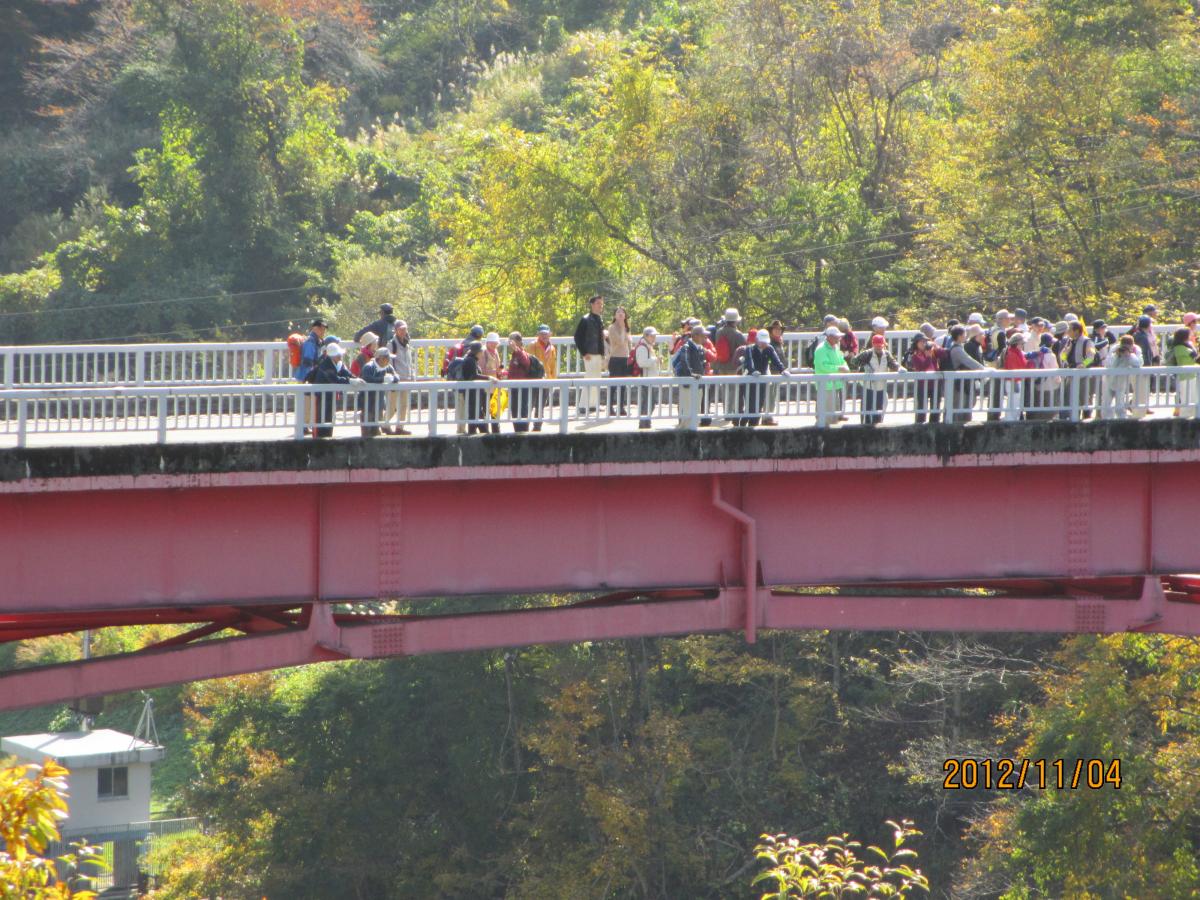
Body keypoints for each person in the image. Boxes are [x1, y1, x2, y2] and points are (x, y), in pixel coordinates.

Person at [739, 329, 789, 426]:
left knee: (759, 405)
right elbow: (749, 362)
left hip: (762, 380)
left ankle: (753, 426)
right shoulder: (750, 348)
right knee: (750, 406)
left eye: (765, 342)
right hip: (750, 380)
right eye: (762, 341)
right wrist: (753, 371)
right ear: (757, 340)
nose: (764, 344)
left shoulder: (769, 349)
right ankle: (742, 425)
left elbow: (776, 360)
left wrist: (782, 370)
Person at [852, 334, 901, 426]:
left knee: (879, 410)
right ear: (873, 344)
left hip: (881, 387)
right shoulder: (867, 353)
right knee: (867, 410)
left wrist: (899, 368)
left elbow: (893, 363)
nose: (878, 347)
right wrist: (865, 366)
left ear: (883, 344)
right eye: (876, 345)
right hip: (868, 387)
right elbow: (854, 361)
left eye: (880, 345)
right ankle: (865, 427)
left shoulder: (886, 354)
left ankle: (878, 427)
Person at [311, 342, 358, 438]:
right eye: (338, 355)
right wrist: (350, 381)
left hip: (330, 397)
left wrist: (354, 378)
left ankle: (328, 438)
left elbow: (347, 374)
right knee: (321, 420)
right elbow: (335, 379)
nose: (340, 356)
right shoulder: (325, 365)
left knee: (330, 419)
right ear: (332, 356)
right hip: (321, 397)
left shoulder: (338, 364)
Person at [574, 295, 606, 413]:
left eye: (601, 304)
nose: (600, 306)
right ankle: (583, 405)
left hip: (597, 353)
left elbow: (600, 338)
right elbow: (577, 337)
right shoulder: (585, 319)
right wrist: (584, 352)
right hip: (589, 354)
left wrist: (603, 354)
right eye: (598, 303)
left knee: (597, 378)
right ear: (592, 304)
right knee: (590, 378)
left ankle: (593, 404)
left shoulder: (599, 319)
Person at [712, 308, 746, 421]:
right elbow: (743, 350)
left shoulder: (719, 332)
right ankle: (730, 412)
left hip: (721, 364)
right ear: (736, 321)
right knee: (733, 389)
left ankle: (726, 410)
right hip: (733, 366)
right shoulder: (738, 334)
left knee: (725, 388)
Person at [295, 318, 328, 435]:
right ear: (315, 328)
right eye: (321, 329)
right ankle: (303, 426)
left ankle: (305, 425)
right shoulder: (310, 342)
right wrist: (320, 360)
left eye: (324, 329)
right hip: (306, 376)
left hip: (309, 375)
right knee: (306, 402)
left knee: (307, 402)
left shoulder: (317, 341)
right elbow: (308, 361)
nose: (323, 331)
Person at [947, 324, 986, 423]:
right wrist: (984, 370)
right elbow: (969, 361)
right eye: (964, 334)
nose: (966, 336)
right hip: (958, 383)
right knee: (958, 407)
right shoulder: (957, 349)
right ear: (960, 336)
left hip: (962, 382)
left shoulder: (959, 347)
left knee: (963, 405)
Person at [458, 341, 499, 434]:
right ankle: (484, 437)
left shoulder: (471, 360)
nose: (482, 353)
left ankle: (478, 436)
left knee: (476, 415)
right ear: (478, 352)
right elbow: (474, 375)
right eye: (481, 352)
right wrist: (489, 377)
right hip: (472, 393)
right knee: (475, 415)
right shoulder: (470, 361)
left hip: (474, 393)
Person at [674, 324, 711, 427]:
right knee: (686, 410)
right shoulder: (686, 347)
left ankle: (692, 429)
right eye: (703, 335)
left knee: (696, 409)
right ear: (695, 336)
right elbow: (684, 362)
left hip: (698, 383)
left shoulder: (700, 348)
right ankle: (685, 431)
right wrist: (691, 374)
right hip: (688, 384)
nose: (705, 338)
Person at [359, 345, 398, 437]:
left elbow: (397, 376)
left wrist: (392, 379)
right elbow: (366, 378)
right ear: (381, 359)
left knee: (376, 430)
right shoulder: (368, 367)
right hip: (367, 403)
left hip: (379, 403)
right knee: (367, 432)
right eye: (387, 358)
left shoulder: (388, 367)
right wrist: (382, 379)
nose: (388, 361)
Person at [814, 325, 850, 424]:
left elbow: (842, 360)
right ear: (829, 336)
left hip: (835, 384)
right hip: (826, 385)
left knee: (834, 416)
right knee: (826, 416)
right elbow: (823, 366)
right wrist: (839, 368)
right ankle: (822, 433)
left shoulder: (836, 347)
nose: (839, 338)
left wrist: (845, 367)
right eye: (836, 336)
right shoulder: (821, 349)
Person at [906, 333, 945, 424]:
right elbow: (922, 368)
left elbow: (944, 354)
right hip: (923, 384)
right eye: (921, 342)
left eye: (925, 341)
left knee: (935, 406)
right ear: (916, 343)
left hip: (935, 382)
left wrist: (936, 346)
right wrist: (928, 357)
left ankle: (934, 424)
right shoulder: (914, 355)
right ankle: (920, 425)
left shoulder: (932, 351)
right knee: (922, 407)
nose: (924, 344)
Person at [1101, 334, 1142, 419]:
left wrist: (1129, 355)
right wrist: (1117, 355)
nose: (1124, 349)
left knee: (1120, 402)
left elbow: (1138, 364)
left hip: (1122, 381)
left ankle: (1121, 419)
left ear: (1132, 345)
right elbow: (1109, 364)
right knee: (1106, 402)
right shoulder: (1115, 349)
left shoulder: (1136, 350)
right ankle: (1107, 420)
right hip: (1109, 379)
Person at [1062, 321, 1096, 419]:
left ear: (1076, 331)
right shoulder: (1069, 341)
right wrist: (1066, 351)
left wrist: (1083, 364)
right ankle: (1074, 419)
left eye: (1070, 329)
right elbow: (1062, 357)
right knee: (1072, 400)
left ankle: (1087, 419)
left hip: (1083, 375)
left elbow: (1091, 356)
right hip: (1071, 374)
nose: (1067, 331)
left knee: (1085, 399)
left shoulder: (1087, 341)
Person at [528, 324, 558, 431]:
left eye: (546, 333)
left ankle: (537, 426)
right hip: (535, 379)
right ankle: (526, 425)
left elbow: (553, 366)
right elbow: (529, 362)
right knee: (531, 403)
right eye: (542, 334)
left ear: (550, 334)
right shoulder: (533, 345)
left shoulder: (552, 348)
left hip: (547, 379)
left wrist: (553, 380)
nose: (544, 336)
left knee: (541, 405)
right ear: (538, 334)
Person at [386, 320, 414, 435]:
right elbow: (389, 362)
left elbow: (409, 362)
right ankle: (385, 424)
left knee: (404, 405)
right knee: (392, 405)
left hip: (406, 378)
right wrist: (394, 376)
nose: (403, 331)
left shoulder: (407, 343)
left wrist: (412, 375)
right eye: (401, 329)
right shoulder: (391, 344)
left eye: (405, 329)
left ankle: (400, 427)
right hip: (397, 379)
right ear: (396, 330)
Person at [505, 332, 535, 432]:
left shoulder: (521, 352)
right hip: (514, 387)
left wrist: (516, 349)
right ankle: (517, 431)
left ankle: (523, 432)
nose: (510, 343)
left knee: (522, 411)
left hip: (522, 387)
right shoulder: (515, 354)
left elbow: (526, 362)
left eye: (511, 340)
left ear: (517, 341)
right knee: (514, 410)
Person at [606, 306, 633, 416]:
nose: (621, 314)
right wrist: (622, 328)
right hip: (615, 358)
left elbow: (628, 343)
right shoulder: (612, 327)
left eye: (623, 312)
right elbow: (621, 341)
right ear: (615, 315)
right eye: (618, 312)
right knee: (613, 384)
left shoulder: (627, 328)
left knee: (623, 384)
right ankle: (610, 407)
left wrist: (631, 354)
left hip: (624, 358)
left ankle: (621, 407)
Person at [1000, 332, 1032, 421]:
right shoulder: (1012, 354)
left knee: (1016, 402)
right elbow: (1015, 369)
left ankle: (1013, 419)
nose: (1023, 345)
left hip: (1016, 380)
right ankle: (1010, 420)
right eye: (1022, 344)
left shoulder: (1015, 352)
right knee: (1014, 403)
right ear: (1017, 343)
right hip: (1014, 381)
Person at [1131, 315, 1159, 418]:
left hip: (1139, 367)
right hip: (1142, 367)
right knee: (1141, 390)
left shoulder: (1138, 334)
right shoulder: (1142, 337)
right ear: (1148, 325)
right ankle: (1138, 412)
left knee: (1140, 390)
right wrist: (1148, 366)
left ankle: (1140, 410)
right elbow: (1145, 353)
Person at [1029, 332, 1061, 420]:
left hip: (1038, 385)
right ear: (1050, 343)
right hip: (1050, 386)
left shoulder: (1036, 353)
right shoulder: (1051, 355)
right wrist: (1060, 382)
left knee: (1039, 409)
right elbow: (1056, 373)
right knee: (1051, 410)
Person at [634, 326, 661, 429]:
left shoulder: (648, 346)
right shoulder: (642, 347)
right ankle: (644, 423)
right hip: (646, 380)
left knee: (651, 402)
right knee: (648, 402)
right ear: (646, 336)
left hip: (650, 378)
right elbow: (642, 363)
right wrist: (655, 360)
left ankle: (646, 422)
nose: (654, 338)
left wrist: (655, 360)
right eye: (652, 336)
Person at [1168, 327, 1198, 418]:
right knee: (1186, 398)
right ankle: (1184, 417)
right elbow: (1193, 356)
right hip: (1185, 376)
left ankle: (1193, 415)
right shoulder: (1179, 347)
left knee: (1193, 397)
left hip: (1191, 375)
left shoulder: (1186, 345)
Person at [763, 320, 787, 425]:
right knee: (770, 396)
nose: (778, 331)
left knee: (773, 395)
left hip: (777, 372)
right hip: (771, 372)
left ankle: (769, 416)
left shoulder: (779, 342)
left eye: (779, 329)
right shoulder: (770, 343)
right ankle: (767, 417)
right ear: (771, 330)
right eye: (775, 329)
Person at [481, 332, 503, 433]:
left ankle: (496, 430)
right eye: (492, 342)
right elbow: (482, 370)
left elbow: (498, 366)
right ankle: (485, 430)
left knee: (495, 409)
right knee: (485, 409)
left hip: (495, 385)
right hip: (486, 386)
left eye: (496, 343)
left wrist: (500, 372)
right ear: (488, 342)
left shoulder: (496, 351)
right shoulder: (483, 352)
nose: (494, 344)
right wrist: (495, 371)